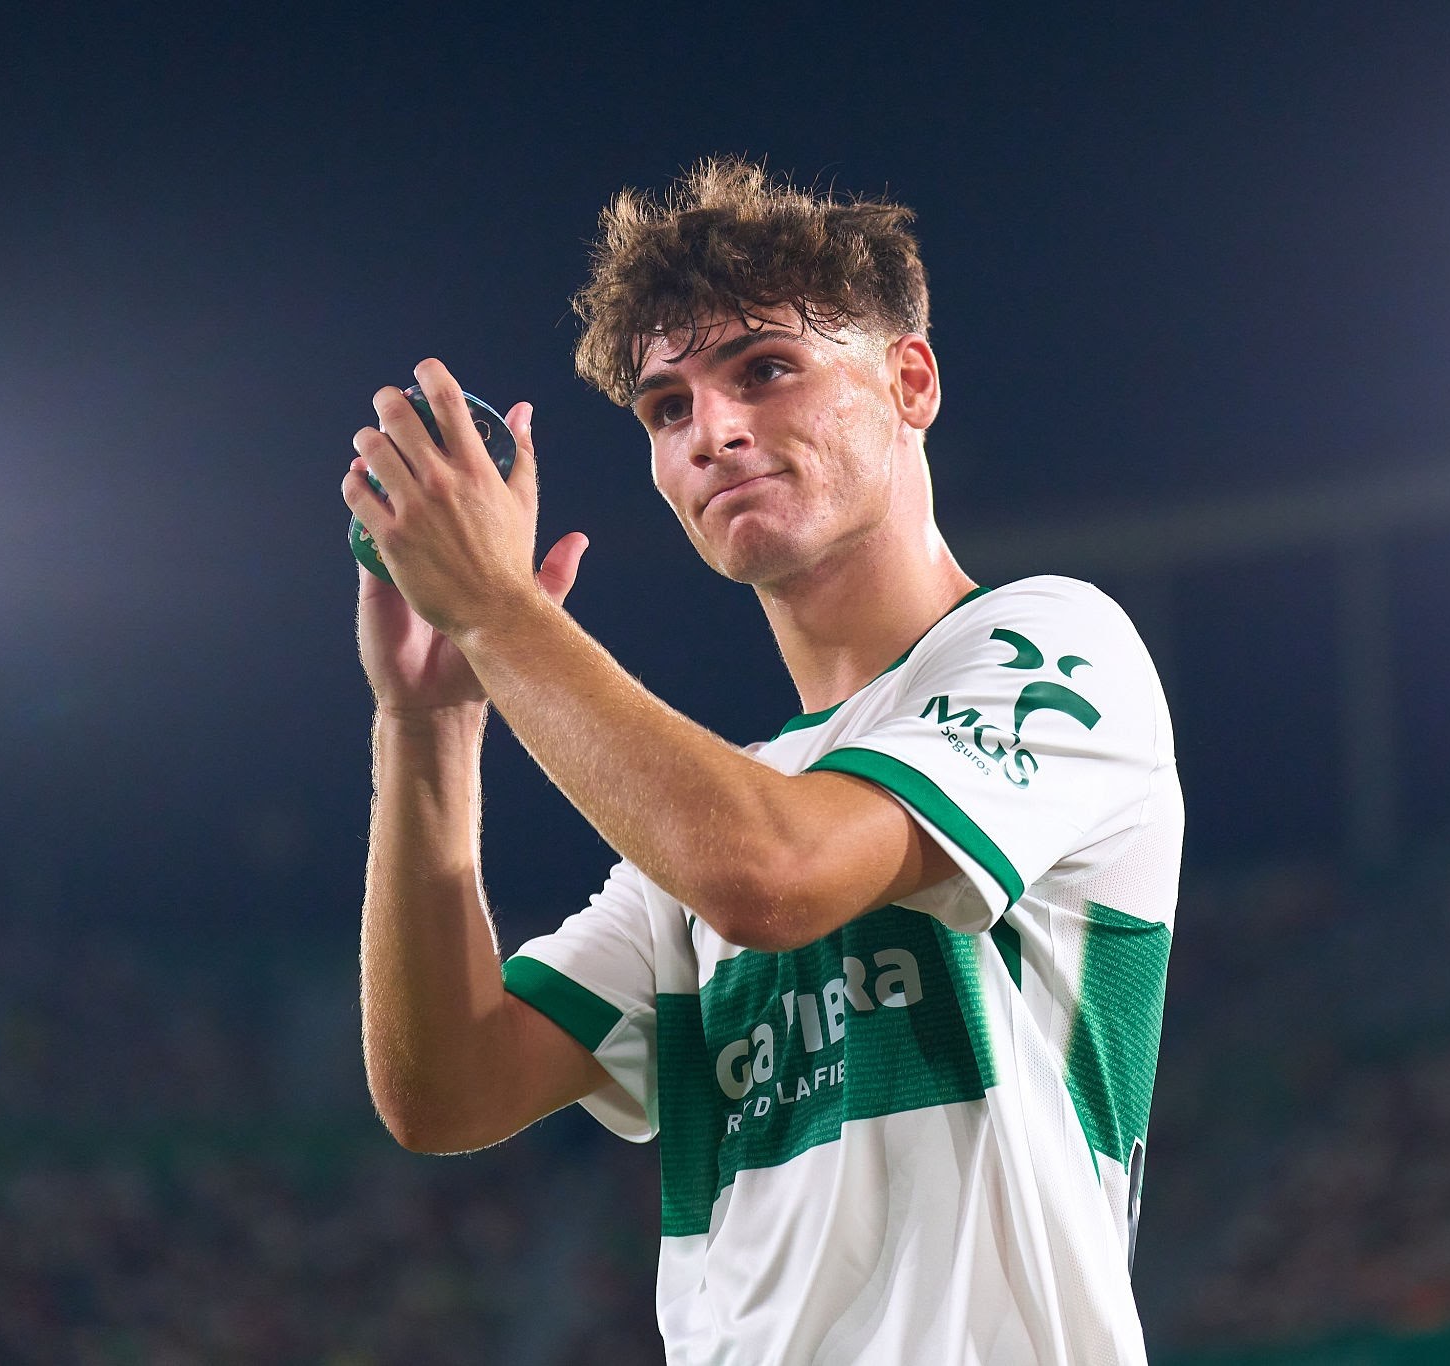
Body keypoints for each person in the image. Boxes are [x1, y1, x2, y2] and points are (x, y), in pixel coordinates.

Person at [341, 157, 1183, 1365]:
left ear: (908, 379)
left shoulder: (1053, 645)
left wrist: (500, 614)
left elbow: (772, 875)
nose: (712, 430)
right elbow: (446, 1091)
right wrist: (426, 729)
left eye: (765, 369)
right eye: (665, 408)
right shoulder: (710, 815)